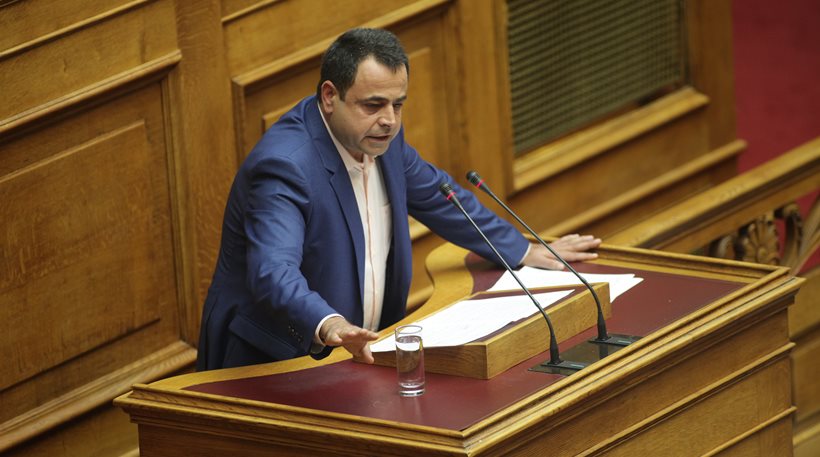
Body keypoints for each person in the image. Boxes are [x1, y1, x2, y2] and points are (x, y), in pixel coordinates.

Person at [196, 28, 600, 371]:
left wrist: (521, 250)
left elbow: (441, 198)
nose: (389, 119)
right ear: (330, 96)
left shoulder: (380, 137)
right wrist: (330, 323)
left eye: (398, 104)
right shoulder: (285, 166)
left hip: (361, 353)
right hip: (273, 362)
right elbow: (273, 271)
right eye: (373, 105)